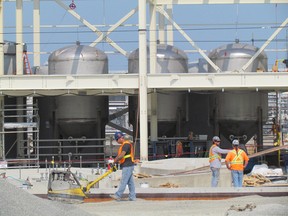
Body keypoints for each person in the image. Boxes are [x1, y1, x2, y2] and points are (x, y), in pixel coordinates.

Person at [110, 132, 136, 201]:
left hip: (127, 165)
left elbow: (121, 155)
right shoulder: (126, 144)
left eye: (116, 140)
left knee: (124, 181)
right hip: (129, 165)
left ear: (119, 138)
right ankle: (132, 197)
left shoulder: (126, 145)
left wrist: (114, 161)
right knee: (130, 183)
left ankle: (118, 195)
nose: (117, 142)